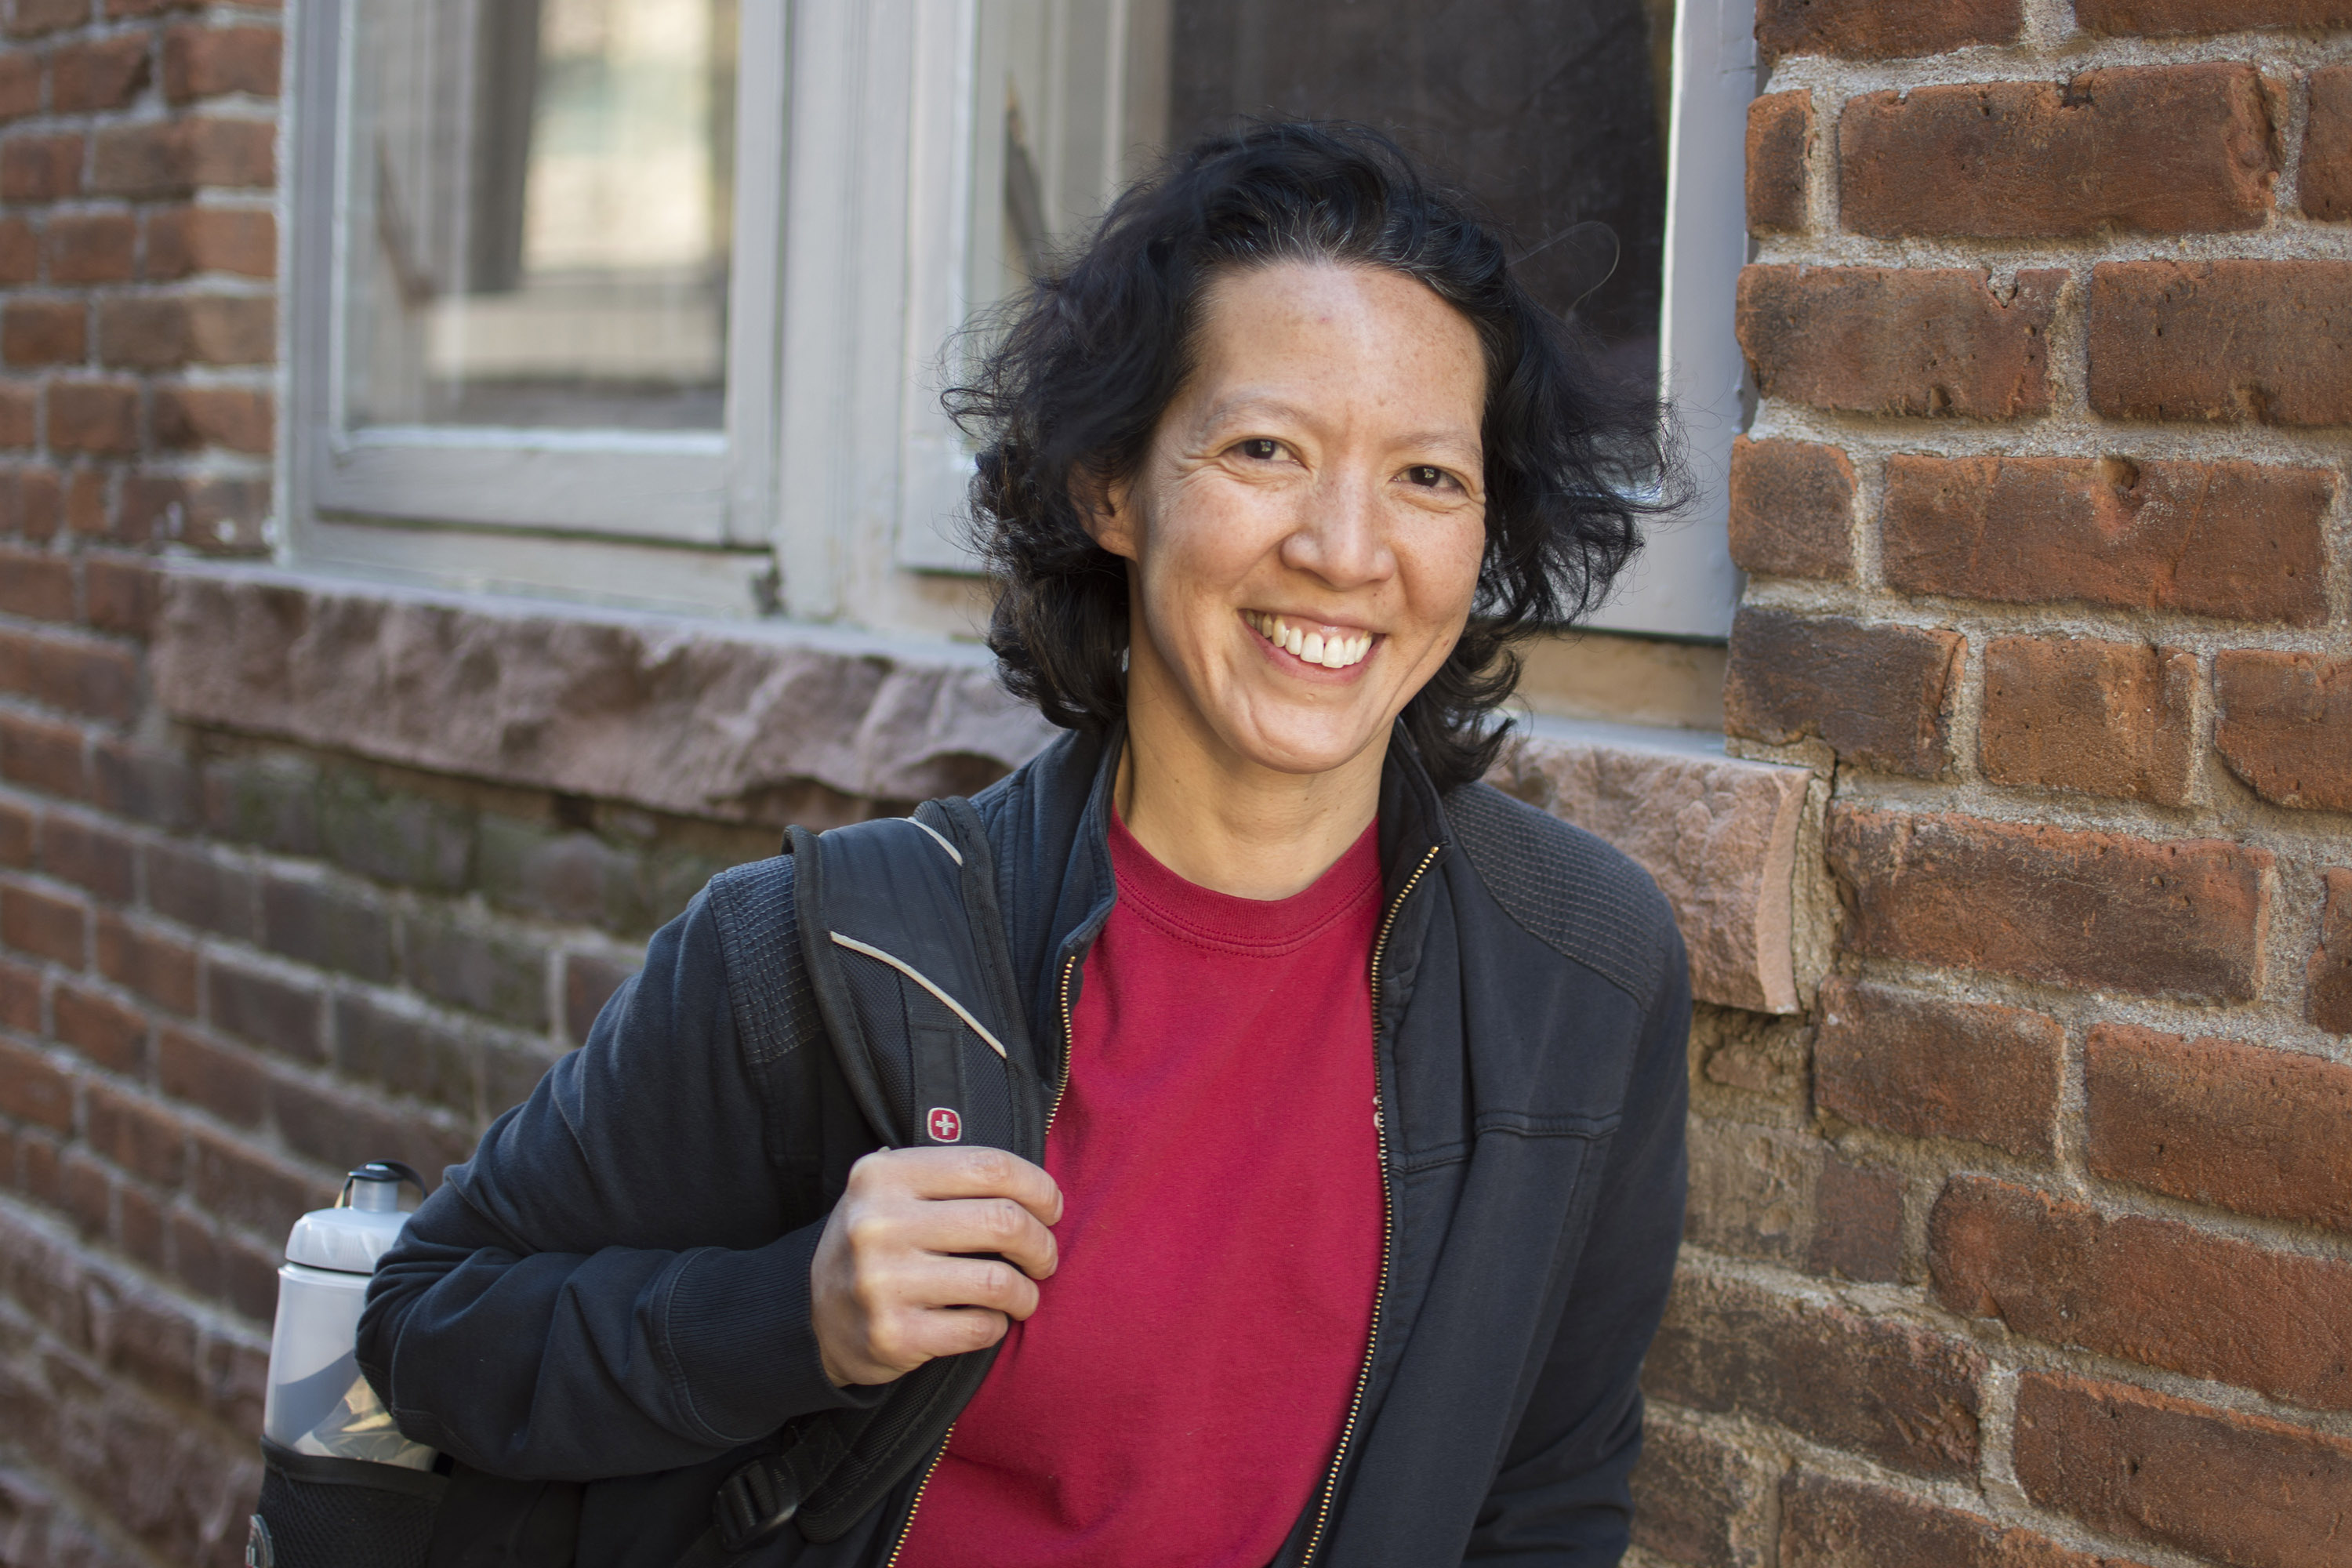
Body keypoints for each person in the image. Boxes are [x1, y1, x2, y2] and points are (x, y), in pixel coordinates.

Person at [361, 122, 1690, 1567]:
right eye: (1265, 450)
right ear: (1109, 489)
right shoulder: (822, 953)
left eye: (1427, 478)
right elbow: (432, 1325)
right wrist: (792, 1315)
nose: (1347, 549)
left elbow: (1549, 1504)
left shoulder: (1583, 973)